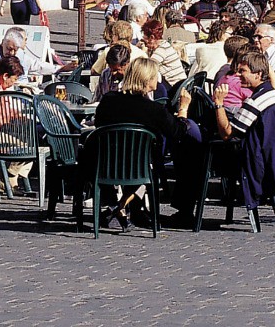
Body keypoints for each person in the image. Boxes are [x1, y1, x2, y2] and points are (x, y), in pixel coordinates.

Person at [83, 58, 200, 228]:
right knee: (153, 160)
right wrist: (183, 109)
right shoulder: (153, 109)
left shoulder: (108, 101)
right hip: (140, 165)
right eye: (155, 77)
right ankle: (123, 207)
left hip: (106, 162)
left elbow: (100, 125)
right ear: (147, 80)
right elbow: (178, 132)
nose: (157, 80)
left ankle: (118, 206)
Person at [210, 50, 275, 212]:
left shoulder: (254, 102)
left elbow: (227, 134)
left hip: (256, 159)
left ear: (258, 74)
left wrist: (219, 103)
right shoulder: (274, 95)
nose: (239, 75)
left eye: (243, 71)